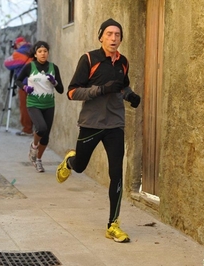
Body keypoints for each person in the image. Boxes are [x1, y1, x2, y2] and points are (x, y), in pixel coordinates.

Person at [55, 18, 141, 243]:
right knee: (81, 167)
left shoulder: (123, 62)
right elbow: (72, 92)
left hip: (115, 125)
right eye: (110, 34)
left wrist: (129, 95)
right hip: (91, 124)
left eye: (118, 35)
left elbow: (122, 86)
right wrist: (100, 90)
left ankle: (113, 224)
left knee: (116, 173)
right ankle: (70, 162)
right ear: (101, 36)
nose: (114, 38)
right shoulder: (89, 59)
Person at [15, 41, 64, 172]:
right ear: (35, 54)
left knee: (46, 136)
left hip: (49, 104)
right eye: (40, 51)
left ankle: (38, 160)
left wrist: (55, 82)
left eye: (45, 51)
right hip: (33, 103)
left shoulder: (54, 68)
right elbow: (17, 80)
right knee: (41, 128)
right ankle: (34, 145)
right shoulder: (29, 66)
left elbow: (61, 90)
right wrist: (25, 87)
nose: (43, 54)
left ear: (48, 53)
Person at [4, 37, 34, 136]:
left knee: (25, 106)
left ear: (18, 44)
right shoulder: (33, 50)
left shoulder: (20, 52)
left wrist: (14, 54)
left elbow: (8, 63)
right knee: (34, 106)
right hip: (36, 82)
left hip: (25, 83)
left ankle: (27, 129)